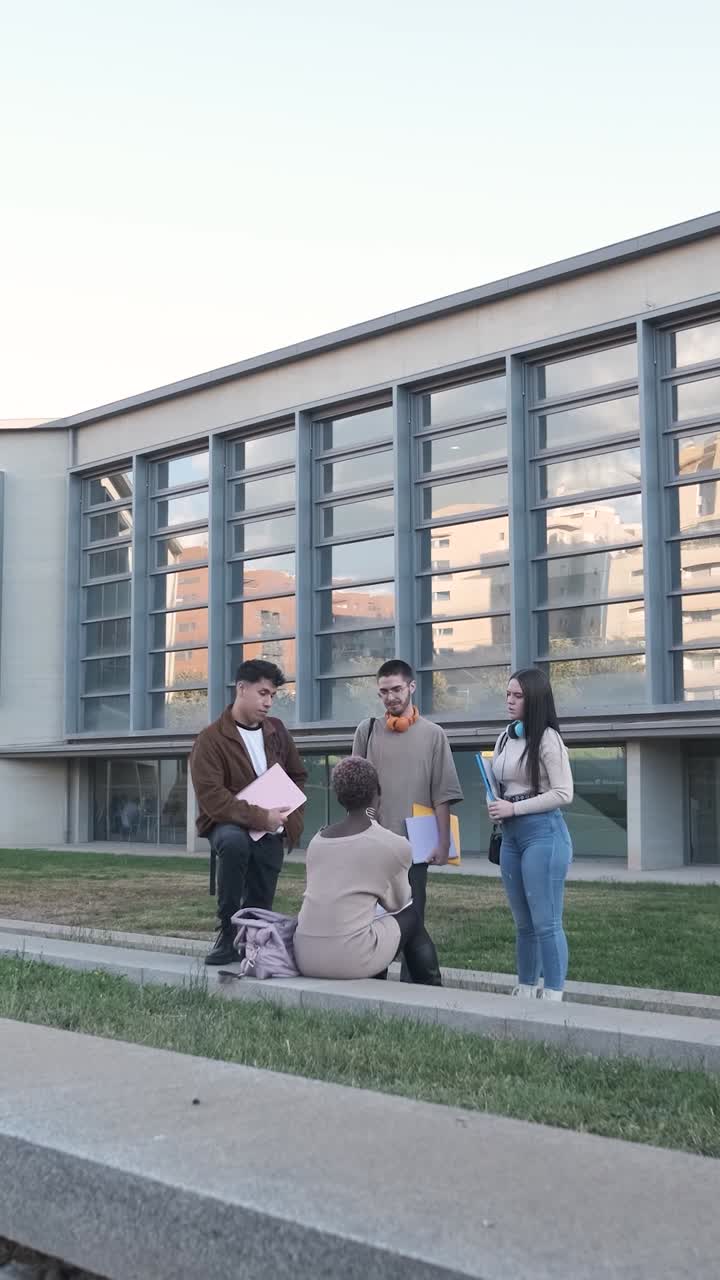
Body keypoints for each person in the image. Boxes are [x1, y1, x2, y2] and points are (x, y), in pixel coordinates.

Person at [190, 659, 307, 966]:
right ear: (241, 689)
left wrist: (288, 817)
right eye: (263, 693)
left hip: (270, 825)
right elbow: (213, 798)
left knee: (267, 861)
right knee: (234, 843)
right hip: (227, 823)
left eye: (272, 696)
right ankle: (227, 935)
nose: (268, 702)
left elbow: (297, 775)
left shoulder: (277, 731)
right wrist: (261, 817)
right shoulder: (210, 739)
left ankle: (254, 940)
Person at [353, 659, 463, 981]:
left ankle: (422, 984)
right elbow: (354, 787)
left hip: (415, 846)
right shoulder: (367, 729)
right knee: (371, 919)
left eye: (397, 689)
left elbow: (442, 793)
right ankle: (374, 981)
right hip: (372, 842)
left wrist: (443, 843)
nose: (391, 697)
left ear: (411, 687)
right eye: (384, 692)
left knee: (411, 918)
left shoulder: (433, 735)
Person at [294, 756, 442, 984]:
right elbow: (399, 903)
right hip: (349, 960)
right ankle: (431, 989)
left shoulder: (317, 841)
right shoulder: (394, 845)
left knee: (368, 920)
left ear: (339, 796)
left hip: (304, 954)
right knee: (413, 916)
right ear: (378, 792)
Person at [487, 667, 574, 1002]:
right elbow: (498, 780)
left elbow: (564, 793)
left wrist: (515, 808)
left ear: (534, 700)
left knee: (546, 922)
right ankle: (526, 987)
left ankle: (553, 992)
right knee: (523, 922)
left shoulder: (549, 739)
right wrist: (493, 802)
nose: (509, 701)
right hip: (511, 836)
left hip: (544, 835)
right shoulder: (506, 736)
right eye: (508, 694)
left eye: (517, 696)